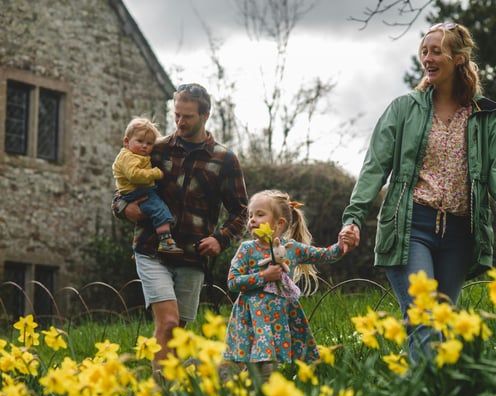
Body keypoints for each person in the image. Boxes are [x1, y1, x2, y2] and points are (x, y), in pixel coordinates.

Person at [339, 22, 496, 361]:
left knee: (444, 323)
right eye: (424, 51)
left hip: (459, 233)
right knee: (423, 319)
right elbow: (375, 166)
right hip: (412, 227)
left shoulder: (483, 115)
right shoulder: (404, 109)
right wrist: (353, 217)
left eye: (436, 51)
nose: (427, 58)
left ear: (458, 58)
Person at [112, 83, 248, 376]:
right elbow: (122, 189)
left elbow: (241, 211)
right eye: (176, 115)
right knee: (169, 321)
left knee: (178, 333)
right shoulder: (155, 149)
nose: (180, 122)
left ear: (205, 114)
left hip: (193, 256)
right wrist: (125, 209)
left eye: (187, 116)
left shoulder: (224, 160)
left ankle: (170, 392)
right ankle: (159, 391)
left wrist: (220, 239)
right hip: (151, 250)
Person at [223, 189, 350, 381]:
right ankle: (241, 390)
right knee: (255, 361)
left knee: (268, 363)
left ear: (279, 223)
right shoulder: (247, 249)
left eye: (259, 214)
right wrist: (263, 276)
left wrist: (340, 246)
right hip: (252, 317)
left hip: (278, 317)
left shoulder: (291, 249)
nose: (252, 220)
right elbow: (232, 282)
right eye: (250, 216)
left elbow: (323, 254)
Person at [112, 117, 182, 254]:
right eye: (140, 141)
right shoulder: (129, 157)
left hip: (134, 191)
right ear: (126, 141)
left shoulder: (133, 154)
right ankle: (165, 241)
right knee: (159, 209)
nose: (145, 146)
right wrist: (155, 173)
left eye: (149, 143)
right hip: (137, 192)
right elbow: (134, 175)